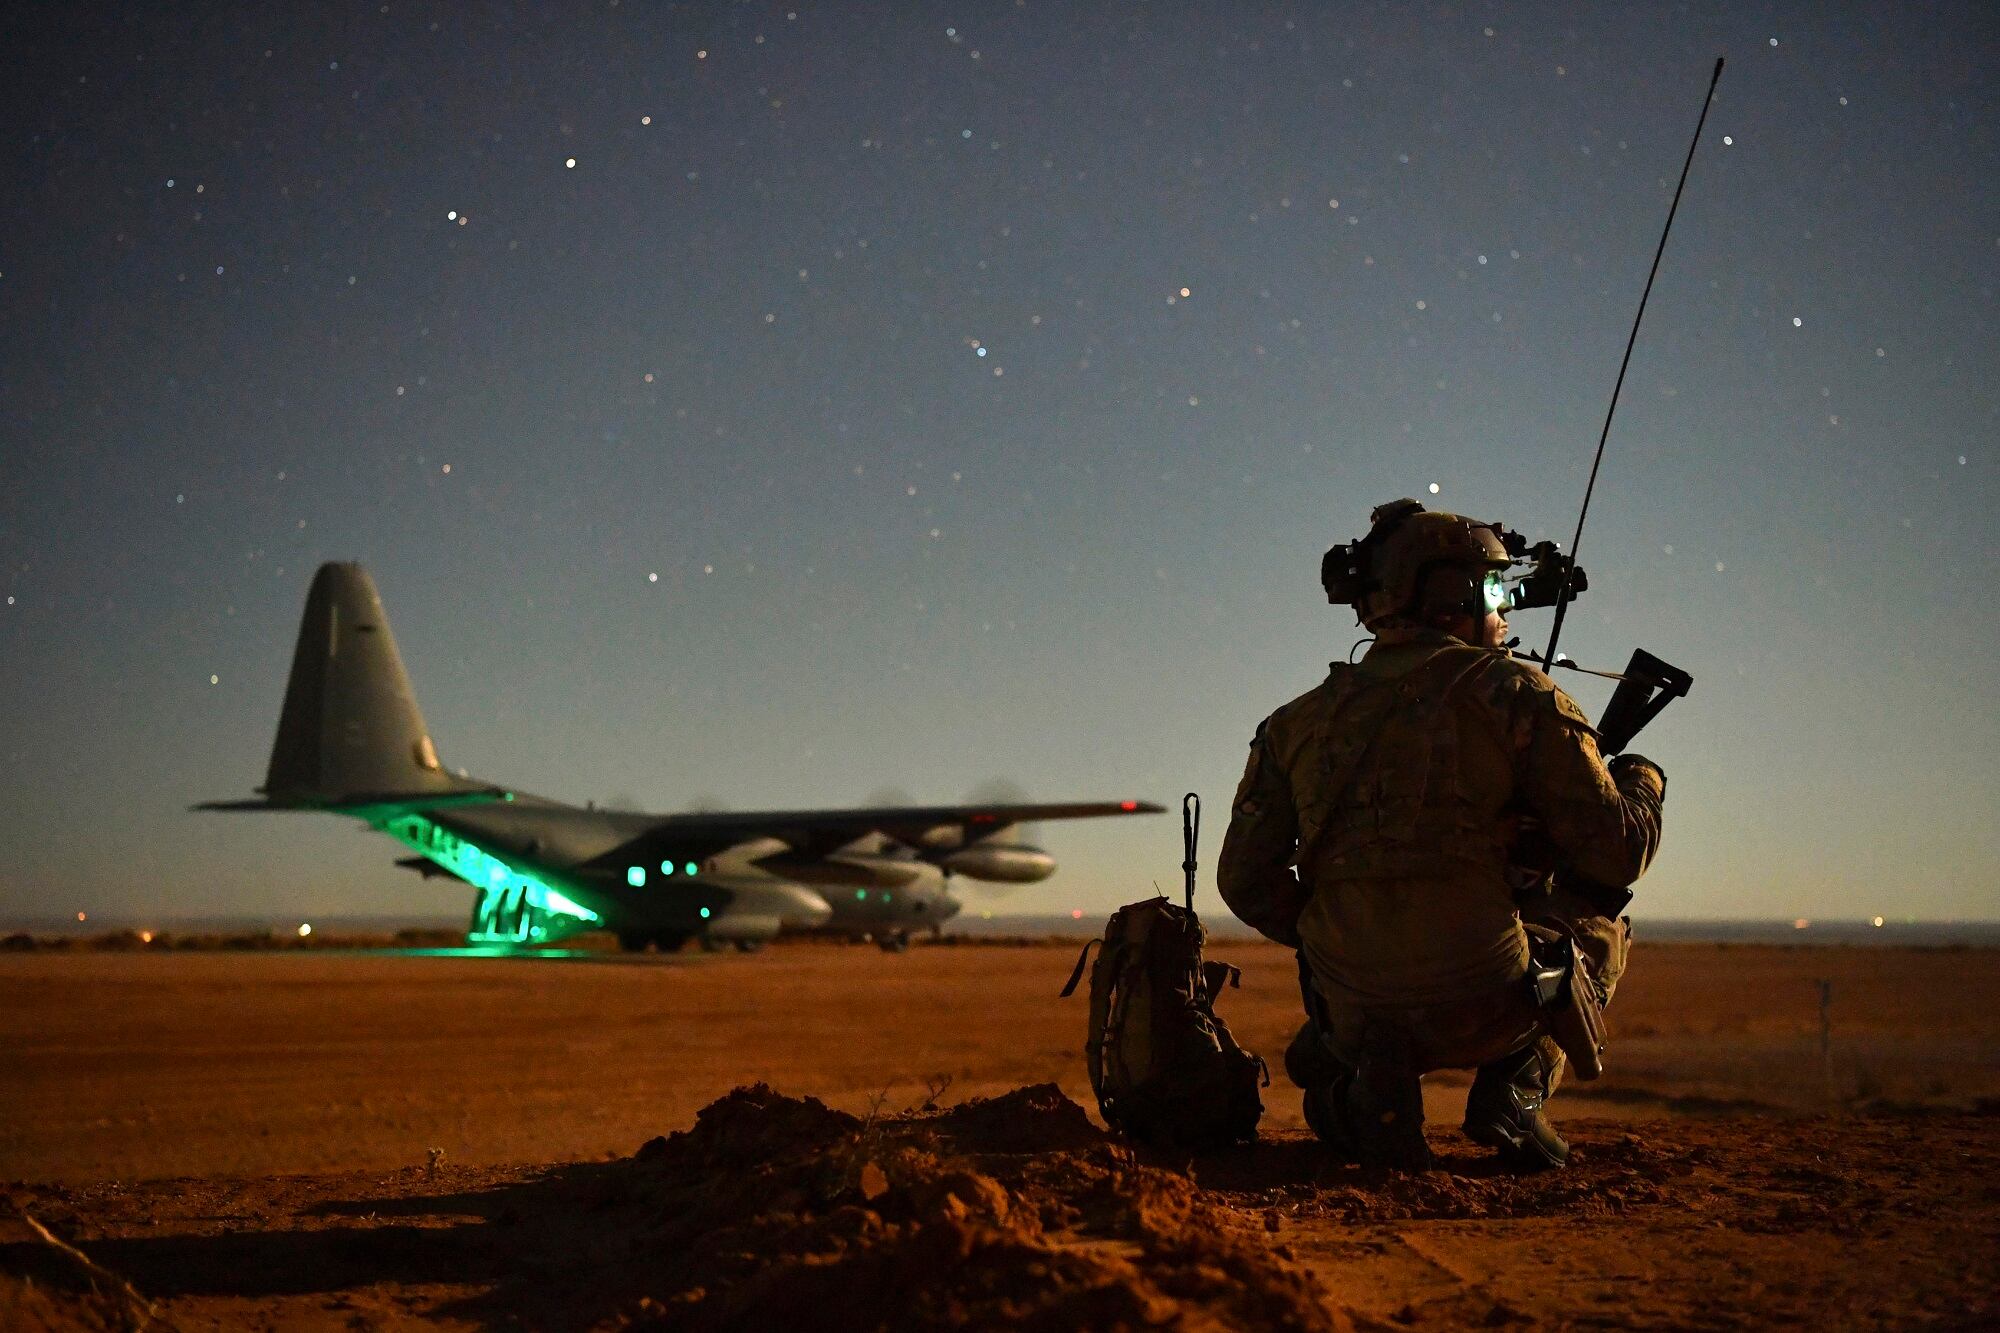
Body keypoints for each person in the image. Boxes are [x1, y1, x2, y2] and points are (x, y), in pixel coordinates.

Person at [1217, 499, 1665, 1170]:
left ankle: (1366, 1087)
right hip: (1489, 1004)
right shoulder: (1520, 694)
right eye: (1493, 590)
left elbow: (1243, 880)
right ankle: (1514, 1093)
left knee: (1339, 1035)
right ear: (1450, 596)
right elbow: (1617, 851)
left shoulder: (1293, 724)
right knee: (1595, 915)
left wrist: (1331, 934)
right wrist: (1641, 780)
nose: (1504, 613)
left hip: (1355, 1010)